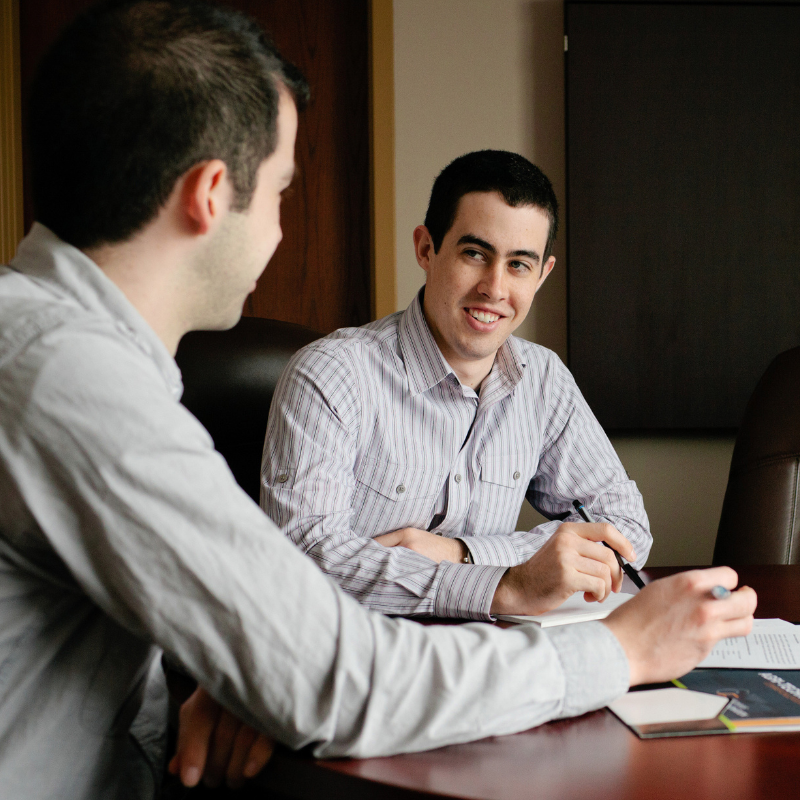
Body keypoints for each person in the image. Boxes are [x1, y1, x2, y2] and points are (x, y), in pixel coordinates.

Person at [0, 1, 756, 798]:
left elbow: (254, 641)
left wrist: (238, 672)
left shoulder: (46, 345)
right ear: (212, 195)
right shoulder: (73, 382)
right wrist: (621, 651)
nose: (280, 232)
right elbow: (340, 679)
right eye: (283, 191)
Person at [262, 150, 650, 621]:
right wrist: (504, 588)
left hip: (488, 658)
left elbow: (625, 530)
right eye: (474, 254)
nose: (494, 287)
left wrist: (461, 554)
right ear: (426, 249)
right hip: (351, 664)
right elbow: (304, 561)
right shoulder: (332, 373)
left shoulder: (544, 380)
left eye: (519, 265)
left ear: (542, 274)